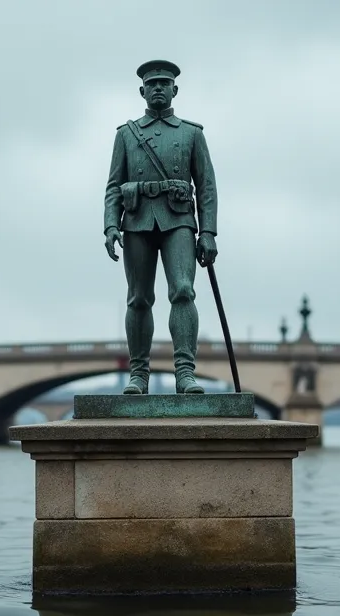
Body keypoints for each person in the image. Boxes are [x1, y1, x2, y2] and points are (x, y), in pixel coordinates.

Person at [102, 59, 219, 394]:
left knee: (183, 290)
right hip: (137, 220)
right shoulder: (125, 135)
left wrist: (208, 232)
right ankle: (139, 374)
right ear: (142, 91)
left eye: (163, 83)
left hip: (179, 219)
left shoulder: (192, 133)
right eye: (151, 84)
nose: (157, 88)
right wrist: (111, 224)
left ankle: (185, 372)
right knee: (138, 298)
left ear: (174, 90)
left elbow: (207, 186)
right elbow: (114, 185)